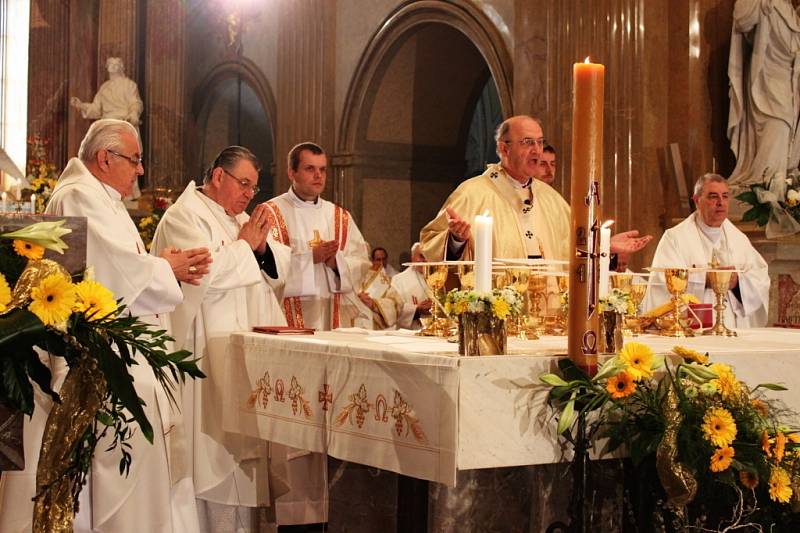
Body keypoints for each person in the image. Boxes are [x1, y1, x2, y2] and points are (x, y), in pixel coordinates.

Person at [0, 119, 212, 533]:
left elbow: (119, 263)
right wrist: (164, 267)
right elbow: (106, 272)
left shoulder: (101, 196)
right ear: (104, 157)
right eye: (134, 160)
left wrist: (158, 264)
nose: (140, 171)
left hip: (107, 338)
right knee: (140, 403)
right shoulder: (79, 193)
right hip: (90, 349)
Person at [149, 146, 292, 530]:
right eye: (243, 183)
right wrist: (247, 246)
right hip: (203, 357)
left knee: (243, 454)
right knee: (211, 455)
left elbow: (280, 266)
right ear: (217, 177)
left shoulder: (240, 219)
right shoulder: (184, 216)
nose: (249, 194)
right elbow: (205, 274)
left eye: (254, 187)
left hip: (242, 354)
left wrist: (258, 248)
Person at [420, 115, 651, 265]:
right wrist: (456, 240)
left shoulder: (551, 199)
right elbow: (429, 244)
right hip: (497, 315)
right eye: (527, 142)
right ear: (503, 148)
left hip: (548, 315)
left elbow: (573, 249)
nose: (537, 150)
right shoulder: (473, 193)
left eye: (540, 142)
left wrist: (603, 247)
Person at [263, 141, 373, 331]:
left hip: (333, 317)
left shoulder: (340, 216)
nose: (318, 175)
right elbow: (264, 269)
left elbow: (362, 262)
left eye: (322, 170)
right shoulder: (270, 213)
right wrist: (310, 258)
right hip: (285, 317)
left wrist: (337, 264)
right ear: (291, 173)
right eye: (310, 169)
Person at [644, 174, 770, 328]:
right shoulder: (675, 238)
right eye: (713, 197)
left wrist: (737, 282)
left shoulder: (739, 239)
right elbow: (663, 282)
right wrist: (706, 279)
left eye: (725, 196)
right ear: (697, 200)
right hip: (692, 326)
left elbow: (760, 277)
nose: (720, 203)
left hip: (731, 326)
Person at [728, 0, 800, 187]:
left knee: (785, 135)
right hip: (765, 83)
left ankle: (773, 189)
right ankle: (762, 186)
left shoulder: (791, 11)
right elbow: (741, 19)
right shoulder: (765, 2)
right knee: (778, 126)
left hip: (788, 85)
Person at [71, 57, 145, 199]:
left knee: (128, 159)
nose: (112, 66)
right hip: (106, 126)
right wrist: (81, 105)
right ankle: (106, 189)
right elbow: (96, 109)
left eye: (115, 64)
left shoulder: (129, 85)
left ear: (120, 67)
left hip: (124, 124)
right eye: (110, 64)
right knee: (104, 160)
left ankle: (128, 192)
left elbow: (135, 103)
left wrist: (133, 114)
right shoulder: (104, 87)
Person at [391, 242, 433, 329]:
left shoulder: (438, 277)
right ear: (412, 258)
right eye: (421, 256)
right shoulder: (398, 280)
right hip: (410, 332)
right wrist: (417, 310)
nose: (425, 260)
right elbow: (393, 308)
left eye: (428, 256)